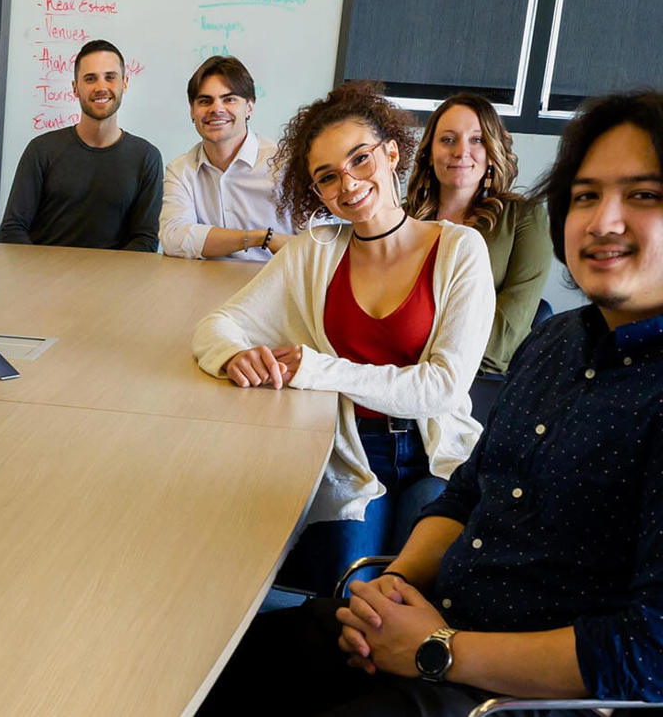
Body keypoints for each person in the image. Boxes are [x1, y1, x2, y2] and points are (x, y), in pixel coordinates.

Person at [198, 89, 663, 717]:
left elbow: (648, 652)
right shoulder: (557, 343)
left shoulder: (458, 252)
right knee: (214, 663)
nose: (605, 221)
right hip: (438, 609)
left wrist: (436, 650)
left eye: (644, 195)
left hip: (496, 687)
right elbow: (472, 490)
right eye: (585, 195)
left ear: (391, 155)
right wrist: (396, 584)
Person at [192, 82, 494, 597]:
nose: (348, 184)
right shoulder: (315, 250)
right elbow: (214, 327)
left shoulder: (460, 249)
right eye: (327, 177)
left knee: (417, 592)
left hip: (437, 451)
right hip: (351, 453)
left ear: (392, 152)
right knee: (349, 592)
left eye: (360, 159)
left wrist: (316, 369)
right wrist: (234, 355)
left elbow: (442, 388)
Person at [407, 94, 552, 374]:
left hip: (478, 382)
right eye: (448, 139)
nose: (461, 152)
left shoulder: (524, 217)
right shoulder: (403, 220)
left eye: (476, 140)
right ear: (429, 152)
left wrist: (416, 336)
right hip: (397, 376)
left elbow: (502, 342)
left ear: (492, 152)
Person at [0, 39, 162, 251]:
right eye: (90, 79)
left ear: (125, 83)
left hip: (113, 281)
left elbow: (145, 240)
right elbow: (12, 230)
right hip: (44, 278)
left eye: (110, 77)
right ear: (75, 88)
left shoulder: (146, 158)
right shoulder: (41, 150)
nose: (101, 87)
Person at [159, 56, 295, 261]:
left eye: (229, 99)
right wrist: (261, 237)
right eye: (205, 101)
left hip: (275, 286)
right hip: (203, 287)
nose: (216, 109)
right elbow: (174, 238)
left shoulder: (285, 164)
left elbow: (317, 242)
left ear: (249, 107)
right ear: (192, 110)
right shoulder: (180, 170)